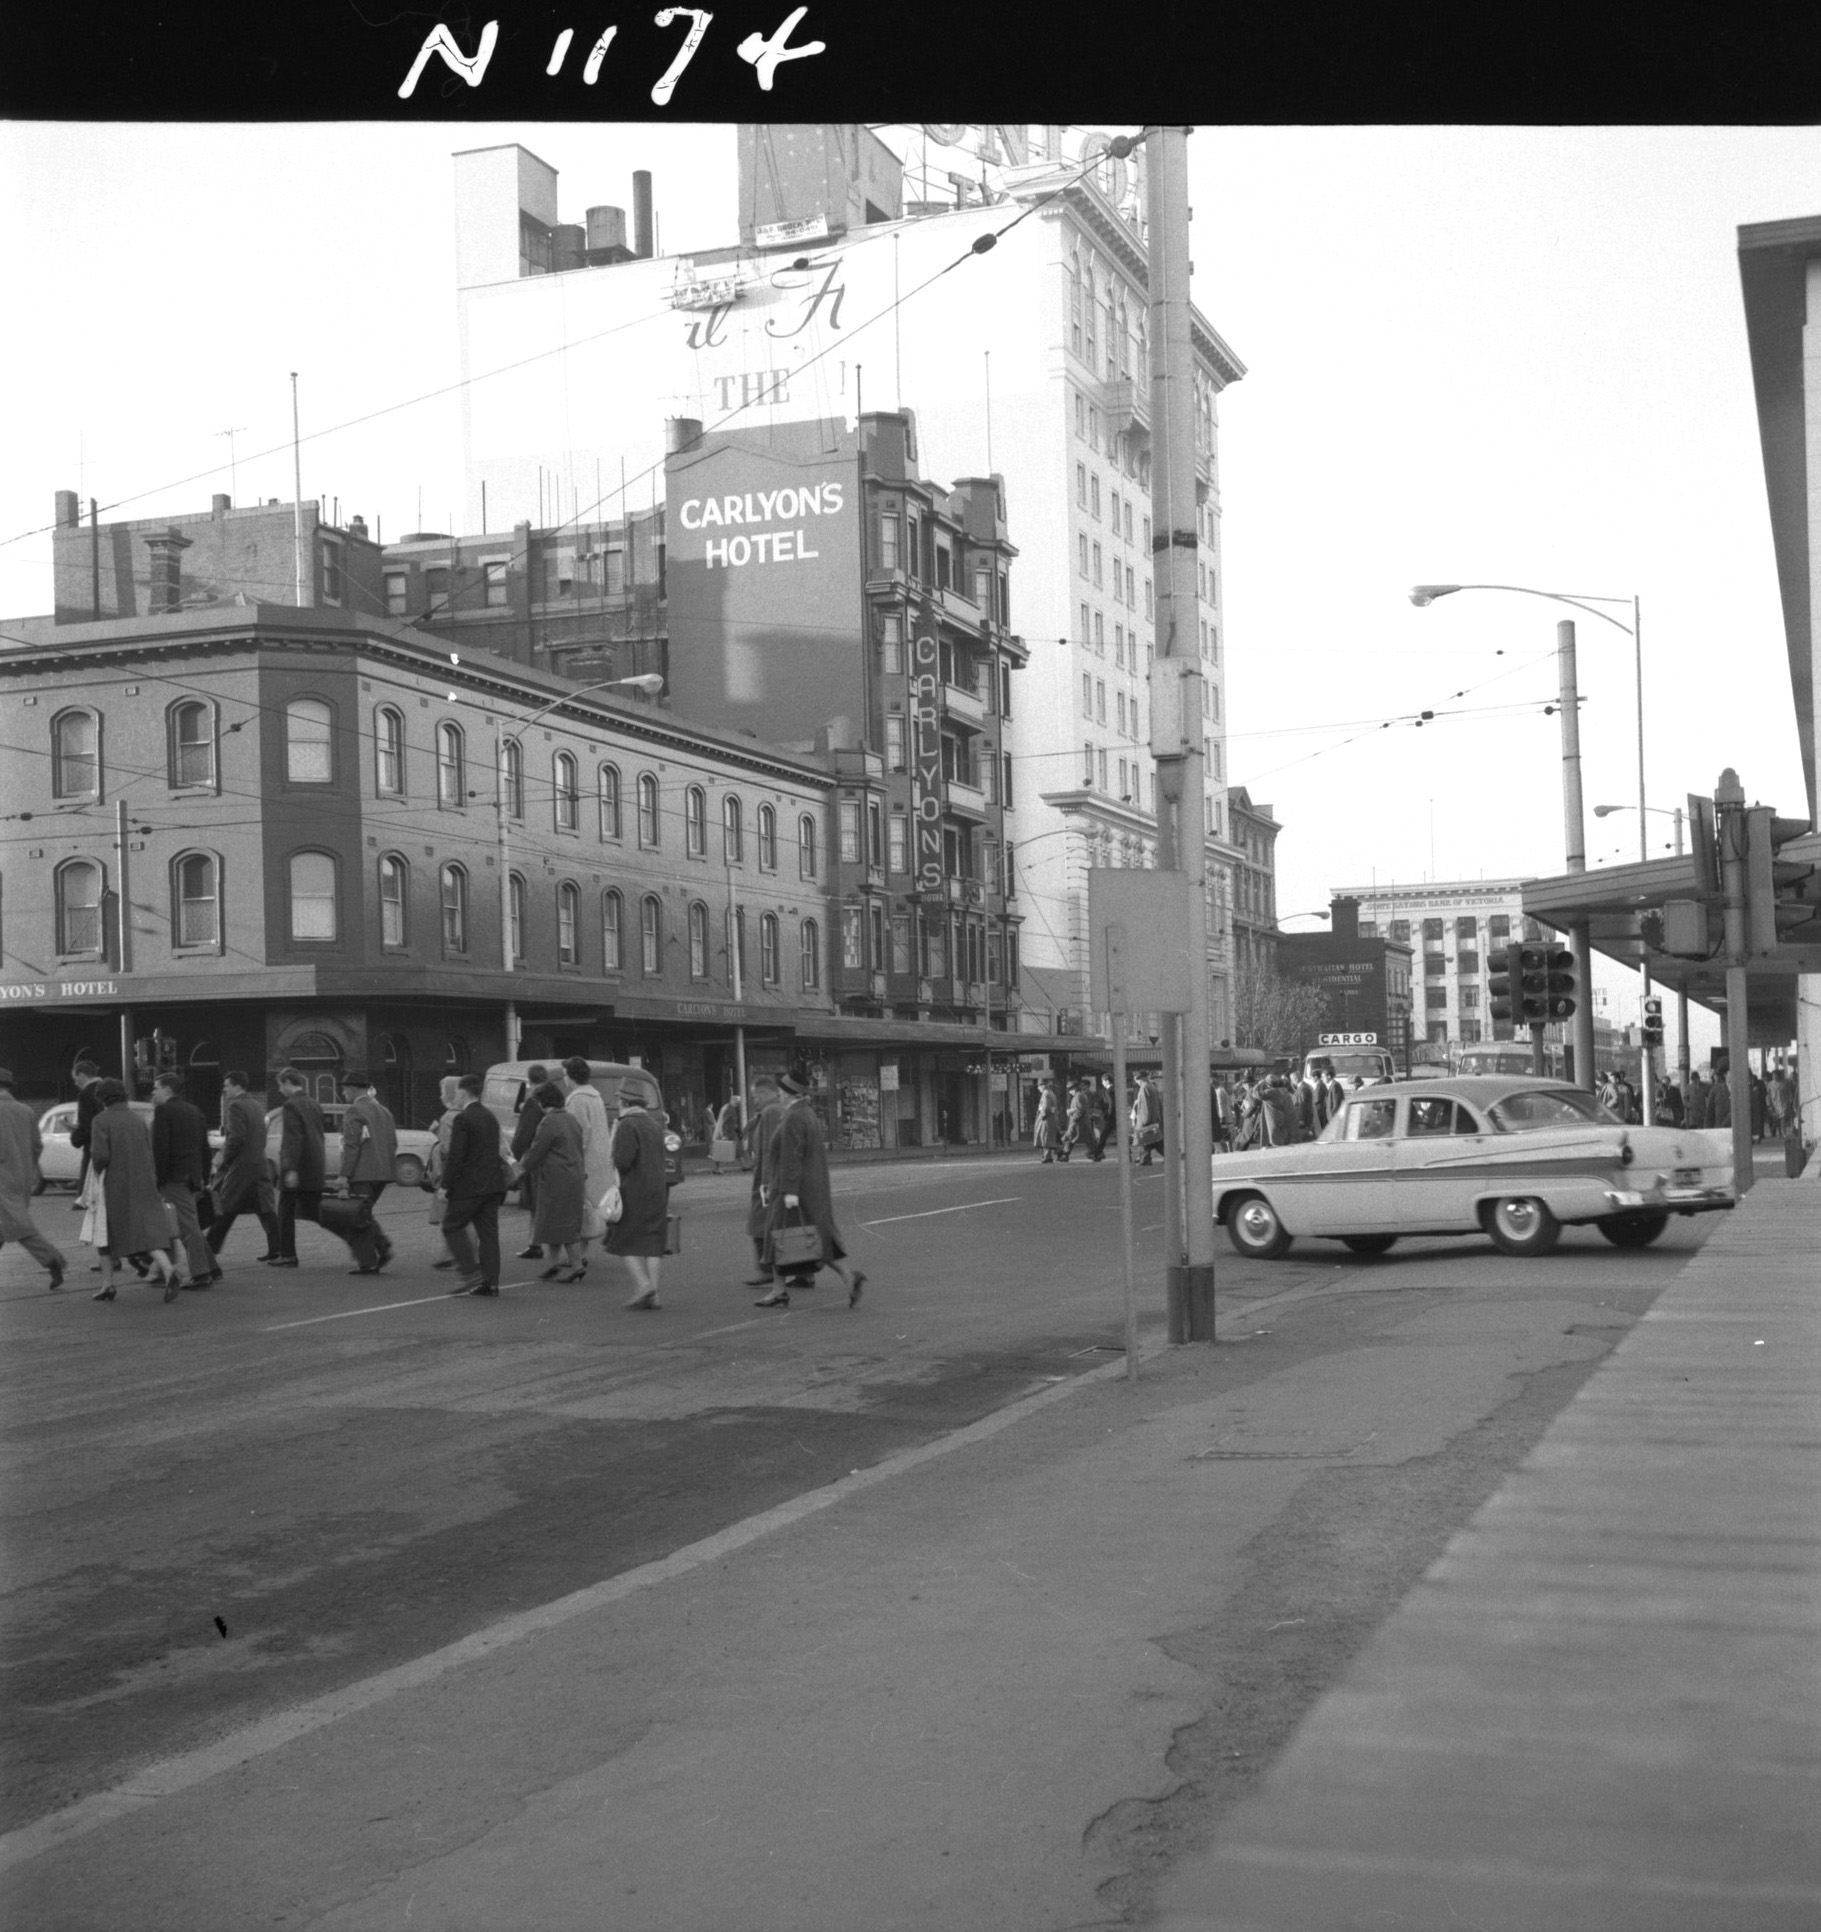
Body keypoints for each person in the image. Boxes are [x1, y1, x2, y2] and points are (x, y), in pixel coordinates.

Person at [756, 1072, 864, 1309]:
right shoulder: (805, 1113)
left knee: (779, 1237)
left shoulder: (795, 1116)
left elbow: (791, 1157)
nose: (780, 1095)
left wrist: (789, 1191)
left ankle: (778, 1290)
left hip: (795, 1191)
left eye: (782, 1091)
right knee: (817, 1239)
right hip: (810, 1189)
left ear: (790, 1093)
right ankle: (849, 1277)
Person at [87, 1079, 180, 1301]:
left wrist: (96, 1170)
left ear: (102, 1099)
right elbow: (149, 1152)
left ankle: (108, 1285)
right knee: (145, 1232)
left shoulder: (101, 1120)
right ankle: (168, 1269)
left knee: (104, 1233)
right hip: (144, 1182)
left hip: (115, 1185)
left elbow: (100, 1156)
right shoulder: (138, 1120)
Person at [509, 1082, 587, 1281]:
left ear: (543, 1102)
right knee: (563, 1222)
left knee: (556, 1222)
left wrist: (517, 1171)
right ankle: (556, 1264)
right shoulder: (571, 1119)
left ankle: (575, 1267)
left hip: (555, 1179)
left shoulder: (548, 1122)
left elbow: (536, 1151)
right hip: (574, 1176)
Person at [0, 1064, 66, 1292]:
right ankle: (51, 1260)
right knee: (7, 1225)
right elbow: (37, 1146)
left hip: (2, 1180)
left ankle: (52, 1259)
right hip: (22, 1178)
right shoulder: (26, 1111)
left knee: (19, 1227)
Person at [604, 1086, 671, 1309]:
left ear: (624, 1102)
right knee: (653, 1240)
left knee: (625, 1238)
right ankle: (654, 1294)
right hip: (657, 1189)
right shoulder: (654, 1125)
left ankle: (643, 1285)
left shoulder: (627, 1125)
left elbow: (623, 1160)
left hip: (634, 1189)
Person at [441, 1072, 506, 1296]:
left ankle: (471, 1273)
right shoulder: (490, 1116)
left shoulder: (463, 1118)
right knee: (489, 1235)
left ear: (463, 1091)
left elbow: (456, 1156)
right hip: (493, 1184)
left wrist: (445, 1186)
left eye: (457, 1092)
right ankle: (491, 1283)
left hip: (469, 1187)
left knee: (451, 1225)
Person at [150, 1071, 215, 1289]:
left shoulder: (164, 1112)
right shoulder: (194, 1111)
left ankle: (201, 1273)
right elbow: (204, 1148)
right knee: (171, 1223)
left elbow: (161, 1149)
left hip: (173, 1178)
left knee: (186, 1226)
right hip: (192, 1177)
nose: (153, 1091)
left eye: (156, 1087)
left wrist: (157, 1178)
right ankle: (163, 1269)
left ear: (167, 1089)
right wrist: (204, 1176)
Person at [207, 1070, 280, 1266]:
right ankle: (276, 1248)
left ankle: (208, 1251)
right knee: (264, 1208)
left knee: (225, 1208)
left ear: (237, 1086)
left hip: (241, 1167)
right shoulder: (256, 1105)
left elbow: (236, 1138)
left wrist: (224, 1160)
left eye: (227, 1086)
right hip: (259, 1163)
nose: (225, 1090)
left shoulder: (236, 1106)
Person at [336, 1071, 398, 1275]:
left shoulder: (354, 1111)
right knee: (363, 1213)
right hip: (383, 1172)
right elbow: (393, 1143)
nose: (343, 1093)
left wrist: (344, 1175)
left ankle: (376, 1253)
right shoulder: (384, 1111)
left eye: (344, 1089)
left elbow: (351, 1145)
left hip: (362, 1173)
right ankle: (374, 1254)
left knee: (357, 1216)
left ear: (353, 1088)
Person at [269, 1067, 325, 1269]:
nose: (279, 1090)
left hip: (297, 1169)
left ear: (287, 1083)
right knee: (320, 1212)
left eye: (280, 1085)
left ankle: (288, 1254)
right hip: (314, 1166)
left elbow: (293, 1139)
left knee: (285, 1211)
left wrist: (290, 1169)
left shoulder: (291, 1106)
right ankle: (362, 1238)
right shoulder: (313, 1103)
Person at [562, 1057, 613, 1275]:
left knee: (579, 1208)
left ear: (571, 1076)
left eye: (565, 1073)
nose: (564, 1077)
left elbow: (578, 1134)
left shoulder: (577, 1099)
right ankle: (582, 1253)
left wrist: (571, 1160)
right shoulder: (595, 1096)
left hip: (583, 1162)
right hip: (599, 1161)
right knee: (587, 1208)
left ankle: (578, 1257)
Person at [742, 1071, 788, 1287]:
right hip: (775, 1177)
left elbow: (770, 1150)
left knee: (760, 1223)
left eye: (755, 1096)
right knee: (782, 1224)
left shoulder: (771, 1112)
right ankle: (803, 1272)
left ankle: (766, 1268)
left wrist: (766, 1183)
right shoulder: (777, 1110)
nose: (754, 1100)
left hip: (767, 1179)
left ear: (764, 1093)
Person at [510, 1063, 551, 1259]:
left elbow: (523, 1134)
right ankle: (536, 1243)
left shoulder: (532, 1102)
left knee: (535, 1204)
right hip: (551, 1158)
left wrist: (513, 1159)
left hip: (534, 1159)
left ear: (529, 1081)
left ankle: (535, 1244)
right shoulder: (554, 1099)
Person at [427, 1075, 464, 1269]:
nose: (441, 1095)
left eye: (443, 1091)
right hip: (461, 1173)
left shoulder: (449, 1117)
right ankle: (449, 1254)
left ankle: (452, 1255)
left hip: (449, 1173)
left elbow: (449, 1148)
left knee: (449, 1215)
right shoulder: (465, 1113)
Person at [67, 1059, 104, 1202]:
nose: (75, 1083)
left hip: (93, 1146)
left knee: (86, 1195)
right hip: (111, 1144)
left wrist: (75, 1138)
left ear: (81, 1075)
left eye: (75, 1078)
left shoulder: (85, 1095)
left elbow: (87, 1124)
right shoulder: (108, 1088)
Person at [1132, 1073, 1162, 1165]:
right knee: (1154, 1141)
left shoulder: (1144, 1088)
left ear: (1140, 1079)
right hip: (1154, 1117)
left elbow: (1145, 1105)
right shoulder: (1152, 1086)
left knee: (1144, 1139)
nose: (1136, 1082)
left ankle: (1145, 1159)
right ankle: (1145, 1158)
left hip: (1146, 1118)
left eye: (1136, 1080)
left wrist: (1145, 1120)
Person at [1033, 1078, 1064, 1164]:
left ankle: (1048, 1156)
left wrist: (1042, 1116)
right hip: (1052, 1120)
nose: (1038, 1088)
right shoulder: (1051, 1093)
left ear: (1043, 1086)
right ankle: (1056, 1153)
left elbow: (1046, 1108)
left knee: (1045, 1139)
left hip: (1046, 1120)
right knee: (1049, 1138)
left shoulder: (1045, 1094)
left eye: (1039, 1086)